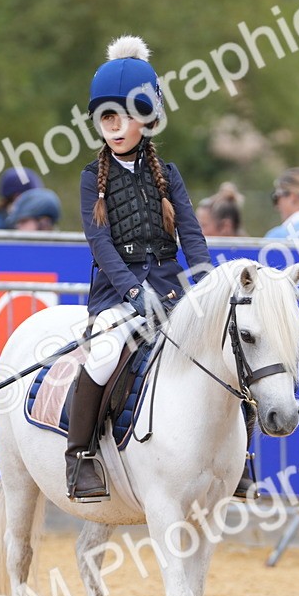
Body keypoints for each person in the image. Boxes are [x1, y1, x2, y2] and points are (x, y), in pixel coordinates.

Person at [71, 35, 214, 501]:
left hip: (170, 286)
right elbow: (100, 244)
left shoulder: (168, 174)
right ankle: (81, 455)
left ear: (147, 118)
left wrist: (205, 280)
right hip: (118, 292)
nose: (116, 127)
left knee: (226, 346)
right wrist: (133, 293)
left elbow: (190, 233)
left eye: (127, 116)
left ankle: (241, 459)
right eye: (108, 117)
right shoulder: (92, 178)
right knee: (106, 354)